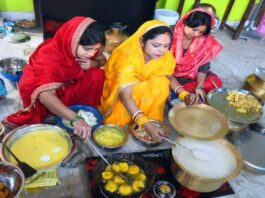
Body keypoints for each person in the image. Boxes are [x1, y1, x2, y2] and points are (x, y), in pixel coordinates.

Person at [2, 16, 106, 140]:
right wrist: (76, 119)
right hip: (42, 94)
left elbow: (102, 59)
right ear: (72, 41)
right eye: (88, 49)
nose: (91, 54)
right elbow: (45, 97)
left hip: (66, 84)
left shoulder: (90, 48)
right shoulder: (50, 56)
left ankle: (80, 108)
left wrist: (94, 63)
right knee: (52, 105)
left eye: (95, 49)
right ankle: (65, 112)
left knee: (97, 74)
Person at [100, 20, 176, 142]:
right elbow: (126, 97)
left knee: (161, 84)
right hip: (121, 92)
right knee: (139, 88)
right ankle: (136, 119)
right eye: (156, 45)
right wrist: (144, 124)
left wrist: (183, 93)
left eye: (166, 46)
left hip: (136, 92)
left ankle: (148, 117)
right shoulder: (126, 59)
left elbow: (169, 77)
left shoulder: (165, 56)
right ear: (142, 41)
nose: (161, 51)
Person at [169, 8, 223, 105]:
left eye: (202, 32)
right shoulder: (169, 35)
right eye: (195, 29)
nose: (197, 34)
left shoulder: (204, 40)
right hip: (168, 74)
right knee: (159, 87)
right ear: (184, 22)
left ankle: (183, 92)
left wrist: (199, 86)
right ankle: (180, 92)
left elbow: (203, 65)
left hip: (191, 73)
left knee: (216, 82)